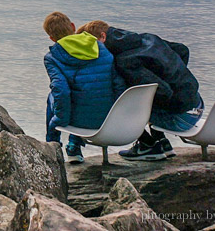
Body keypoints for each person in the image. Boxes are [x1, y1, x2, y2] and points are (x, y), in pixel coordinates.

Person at [77, 20, 204, 161]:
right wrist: (174, 75)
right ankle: (163, 144)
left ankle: (148, 146)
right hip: (197, 105)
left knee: (124, 105)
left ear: (103, 37)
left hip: (181, 118)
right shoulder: (147, 38)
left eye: (93, 45)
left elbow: (163, 91)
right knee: (147, 98)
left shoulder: (125, 61)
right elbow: (182, 50)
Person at [43, 11, 123, 163]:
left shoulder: (52, 57)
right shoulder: (99, 47)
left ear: (51, 38)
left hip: (80, 122)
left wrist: (59, 120)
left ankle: (52, 147)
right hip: (110, 120)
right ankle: (73, 145)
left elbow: (62, 92)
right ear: (73, 27)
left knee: (53, 96)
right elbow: (117, 84)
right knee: (87, 92)